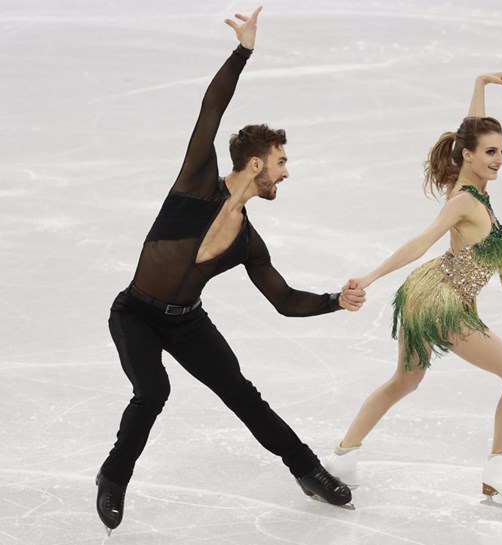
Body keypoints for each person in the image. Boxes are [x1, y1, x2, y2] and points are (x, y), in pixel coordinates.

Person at [95, 7, 363, 534]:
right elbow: (210, 110)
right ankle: (113, 477)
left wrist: (336, 300)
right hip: (136, 314)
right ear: (256, 164)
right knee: (153, 393)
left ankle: (307, 470)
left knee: (242, 394)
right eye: (281, 162)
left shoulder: (246, 240)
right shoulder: (196, 183)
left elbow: (284, 300)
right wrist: (243, 51)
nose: (287, 172)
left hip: (187, 321)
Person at [325, 72, 502, 510]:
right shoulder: (463, 200)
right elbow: (421, 242)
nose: (500, 159)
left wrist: (480, 83)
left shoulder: (469, 185)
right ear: (469, 155)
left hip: (430, 293)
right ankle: (498, 469)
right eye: (491, 152)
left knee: (405, 380)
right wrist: (368, 277)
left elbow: (470, 128)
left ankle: (344, 457)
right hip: (442, 306)